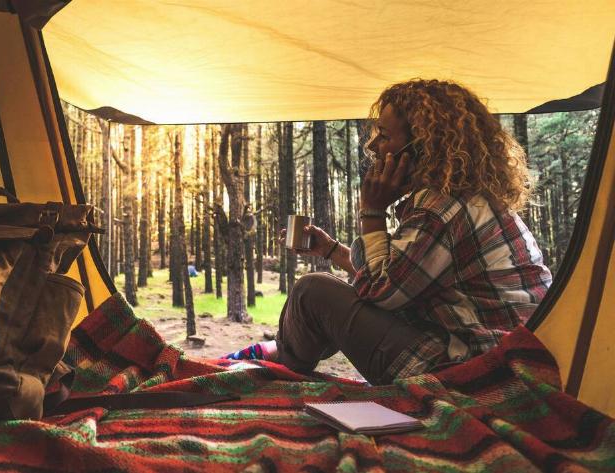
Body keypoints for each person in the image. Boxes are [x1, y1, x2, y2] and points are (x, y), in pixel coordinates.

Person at [223, 79, 553, 385]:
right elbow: (405, 279)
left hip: (469, 370)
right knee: (321, 294)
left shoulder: (442, 208)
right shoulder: (467, 198)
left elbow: (384, 294)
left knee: (312, 291)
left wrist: (373, 211)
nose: (373, 146)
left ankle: (278, 368)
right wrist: (332, 251)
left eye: (384, 136)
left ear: (423, 148)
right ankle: (279, 354)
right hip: (501, 359)